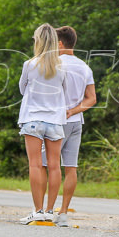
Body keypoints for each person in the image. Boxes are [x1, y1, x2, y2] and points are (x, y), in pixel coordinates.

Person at [40, 26, 96, 226]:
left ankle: (45, 210)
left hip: (55, 121)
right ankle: (63, 213)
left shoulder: (56, 65)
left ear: (61, 44)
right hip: (75, 122)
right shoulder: (84, 67)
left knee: (47, 166)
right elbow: (91, 99)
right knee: (70, 168)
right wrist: (74, 110)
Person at [18, 24, 68, 224]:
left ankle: (37, 210)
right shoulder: (62, 66)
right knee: (55, 166)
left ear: (38, 41)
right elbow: (65, 90)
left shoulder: (30, 64)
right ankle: (49, 211)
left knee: (35, 165)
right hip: (55, 121)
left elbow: (23, 89)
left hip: (33, 120)